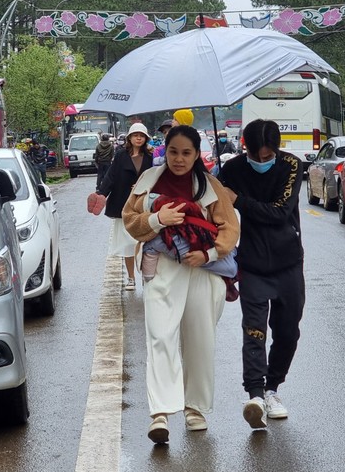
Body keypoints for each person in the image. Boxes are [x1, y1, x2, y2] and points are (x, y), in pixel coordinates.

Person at [122, 125, 239, 444]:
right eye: (174, 151)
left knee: (200, 339)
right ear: (165, 150)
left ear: (196, 154)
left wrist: (209, 252)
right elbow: (130, 220)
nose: (179, 159)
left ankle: (195, 408)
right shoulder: (147, 182)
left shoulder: (210, 185)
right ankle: (160, 412)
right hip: (162, 269)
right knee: (160, 335)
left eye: (187, 152)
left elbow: (230, 228)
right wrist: (159, 220)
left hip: (204, 270)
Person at [218, 119, 306, 430]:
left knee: (288, 332)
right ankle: (255, 394)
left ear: (278, 150)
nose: (262, 161)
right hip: (253, 263)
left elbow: (280, 212)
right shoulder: (232, 170)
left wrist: (239, 200)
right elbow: (214, 203)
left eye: (268, 157)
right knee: (253, 331)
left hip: (288, 262)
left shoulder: (292, 166)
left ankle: (273, 389)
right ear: (246, 148)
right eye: (255, 156)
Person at [96, 123, 154, 291]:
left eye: (141, 136)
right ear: (129, 138)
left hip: (144, 206)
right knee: (128, 244)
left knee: (144, 244)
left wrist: (143, 186)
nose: (138, 138)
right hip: (123, 205)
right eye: (135, 135)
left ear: (145, 139)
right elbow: (111, 177)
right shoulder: (121, 156)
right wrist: (101, 194)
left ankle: (146, 276)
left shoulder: (151, 158)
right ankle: (130, 278)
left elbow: (157, 179)